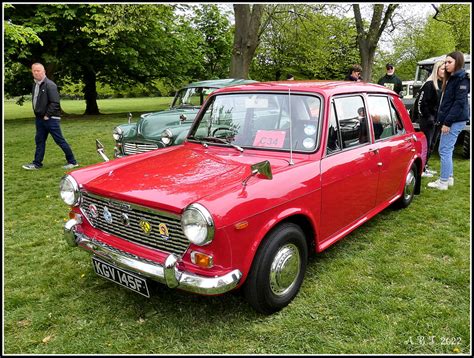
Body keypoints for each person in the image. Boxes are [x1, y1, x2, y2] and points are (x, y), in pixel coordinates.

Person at [22, 63, 78, 170]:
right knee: (39, 141)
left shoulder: (50, 85)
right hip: (40, 119)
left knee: (59, 140)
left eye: (38, 70)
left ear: (44, 71)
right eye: (34, 71)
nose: (36, 72)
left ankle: (72, 161)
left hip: (50, 119)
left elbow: (55, 102)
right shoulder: (36, 85)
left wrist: (47, 115)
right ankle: (37, 163)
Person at [428, 51, 470, 190]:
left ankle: (443, 181)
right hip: (452, 119)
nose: (446, 65)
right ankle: (449, 177)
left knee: (444, 150)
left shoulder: (462, 79)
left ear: (458, 62)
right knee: (448, 149)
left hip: (454, 120)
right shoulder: (453, 78)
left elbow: (459, 104)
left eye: (449, 62)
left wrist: (447, 123)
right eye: (445, 62)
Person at [413, 60, 445, 177]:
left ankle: (425, 166)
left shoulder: (442, 84)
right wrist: (428, 117)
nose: (444, 71)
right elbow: (421, 103)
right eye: (442, 69)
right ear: (436, 70)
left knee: (431, 145)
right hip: (428, 120)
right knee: (426, 145)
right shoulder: (429, 84)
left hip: (437, 120)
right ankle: (421, 169)